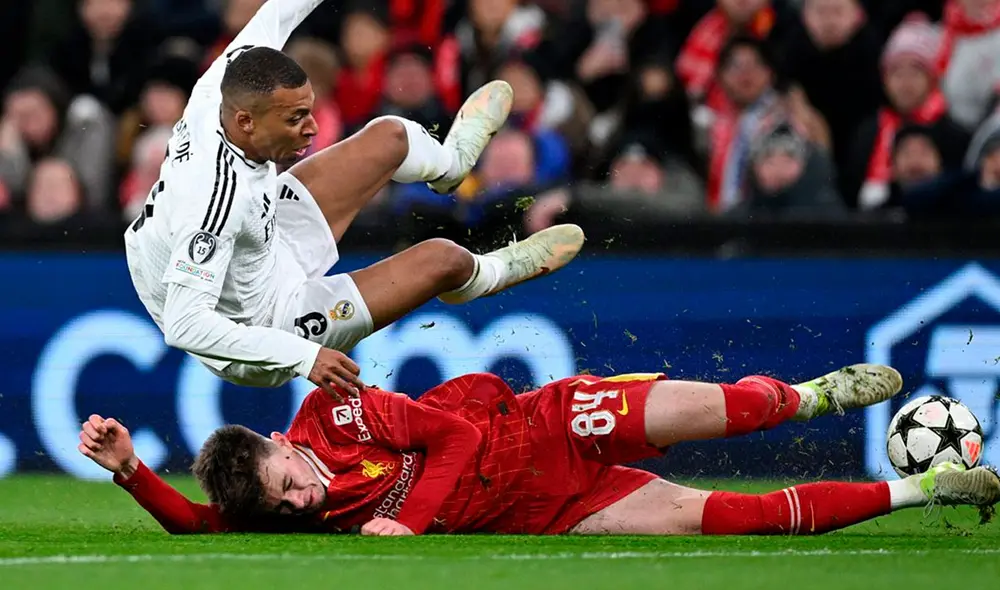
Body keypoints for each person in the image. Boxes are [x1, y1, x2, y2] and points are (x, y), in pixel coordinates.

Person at [123, 0, 585, 398]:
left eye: (308, 109)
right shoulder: (213, 202)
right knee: (443, 259)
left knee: (390, 135)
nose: (313, 128)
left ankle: (451, 166)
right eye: (295, 119)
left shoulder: (225, 84)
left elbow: (279, 12)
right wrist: (304, 356)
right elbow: (184, 325)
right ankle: (488, 275)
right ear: (245, 121)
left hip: (261, 244)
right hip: (263, 325)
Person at [78, 364, 1000, 536]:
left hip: (548, 424)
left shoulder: (337, 409)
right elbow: (196, 524)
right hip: (551, 508)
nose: (301, 502)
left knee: (734, 412)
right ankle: (931, 489)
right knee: (733, 520)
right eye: (284, 506)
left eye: (289, 481)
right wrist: (129, 473)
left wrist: (412, 523)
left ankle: (810, 396)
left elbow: (448, 435)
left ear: (285, 440)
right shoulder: (282, 510)